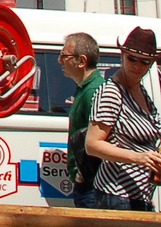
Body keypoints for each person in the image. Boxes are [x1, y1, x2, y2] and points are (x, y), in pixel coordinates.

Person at [85, 25, 161, 212]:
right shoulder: (111, 92)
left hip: (140, 194)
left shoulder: (141, 91)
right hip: (116, 194)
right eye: (132, 58)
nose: (137, 65)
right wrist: (139, 158)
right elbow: (92, 145)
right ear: (122, 56)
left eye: (144, 62)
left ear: (151, 64)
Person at [59, 31, 103, 207]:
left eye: (64, 55)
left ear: (82, 61)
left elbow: (102, 137)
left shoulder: (94, 91)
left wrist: (83, 173)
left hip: (91, 185)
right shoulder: (84, 89)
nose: (59, 60)